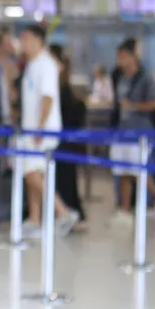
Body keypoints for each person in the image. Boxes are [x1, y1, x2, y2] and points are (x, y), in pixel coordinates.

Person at [17, 24, 79, 239]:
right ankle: (35, 219)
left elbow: (48, 97)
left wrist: (40, 127)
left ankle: (63, 212)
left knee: (31, 173)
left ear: (38, 40)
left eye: (25, 38)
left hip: (41, 130)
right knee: (35, 174)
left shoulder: (46, 64)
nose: (22, 43)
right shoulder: (32, 64)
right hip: (31, 128)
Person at [108, 41, 155, 226]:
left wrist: (134, 106)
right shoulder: (121, 78)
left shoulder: (145, 78)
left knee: (137, 170)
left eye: (123, 56)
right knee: (122, 171)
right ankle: (125, 210)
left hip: (139, 132)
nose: (119, 61)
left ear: (133, 57)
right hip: (122, 131)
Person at [49, 45, 88, 232]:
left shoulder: (60, 89)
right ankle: (67, 213)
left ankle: (66, 213)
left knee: (63, 179)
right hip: (64, 141)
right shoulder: (60, 86)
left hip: (61, 142)